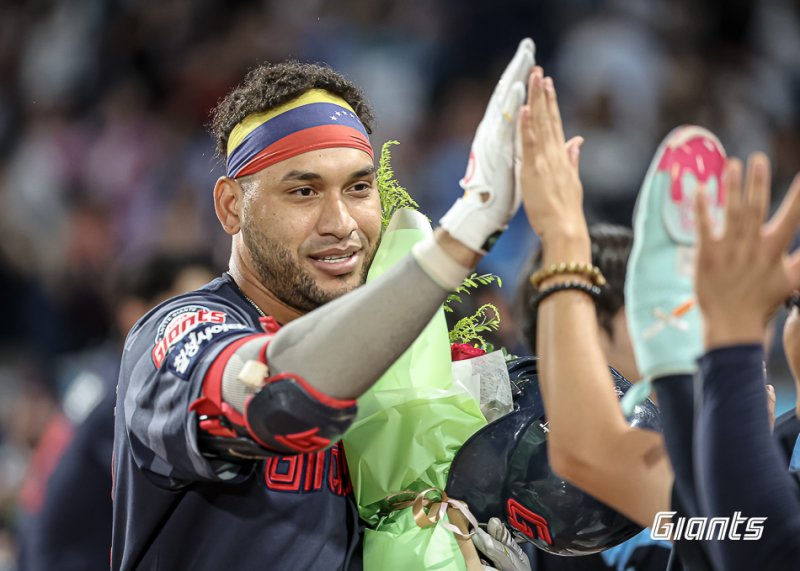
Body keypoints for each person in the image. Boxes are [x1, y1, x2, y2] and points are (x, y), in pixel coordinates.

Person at [112, 42, 536, 570]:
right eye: (303, 192)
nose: (341, 223)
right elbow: (280, 400)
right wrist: (457, 241)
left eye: (359, 188)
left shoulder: (409, 360)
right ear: (229, 207)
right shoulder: (178, 329)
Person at [28, 254, 215, 571]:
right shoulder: (131, 391)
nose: (209, 327)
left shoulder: (101, 375)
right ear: (135, 313)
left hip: (44, 550)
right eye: (188, 310)